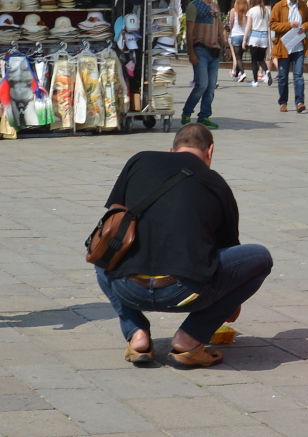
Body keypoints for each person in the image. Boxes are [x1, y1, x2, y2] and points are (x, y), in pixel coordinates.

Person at [95, 124, 273, 367]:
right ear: (210, 151)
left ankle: (137, 335)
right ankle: (189, 339)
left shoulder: (139, 161)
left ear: (171, 150)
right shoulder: (216, 184)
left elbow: (114, 217)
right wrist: (231, 301)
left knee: (102, 253)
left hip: (128, 288)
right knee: (260, 259)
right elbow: (226, 253)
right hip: (183, 292)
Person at [182, 0, 226, 129]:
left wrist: (223, 42)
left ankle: (204, 116)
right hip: (200, 49)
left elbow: (219, 26)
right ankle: (187, 112)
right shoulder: (194, 6)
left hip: (214, 51)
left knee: (211, 86)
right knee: (202, 84)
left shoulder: (215, 6)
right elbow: (190, 31)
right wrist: (191, 52)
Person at [270, 0, 308, 113]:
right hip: (284, 46)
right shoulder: (279, 6)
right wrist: (289, 25)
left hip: (299, 45)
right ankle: (283, 102)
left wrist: (305, 27)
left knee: (298, 75)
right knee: (283, 76)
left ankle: (300, 102)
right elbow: (272, 24)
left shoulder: (303, 5)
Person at [243, 0, 274, 88]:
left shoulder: (251, 11)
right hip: (264, 36)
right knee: (261, 58)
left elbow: (248, 26)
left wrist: (244, 40)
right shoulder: (266, 10)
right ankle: (267, 71)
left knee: (254, 60)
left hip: (254, 36)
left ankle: (255, 81)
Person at [227, 0, 249, 83]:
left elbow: (231, 23)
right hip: (244, 36)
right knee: (240, 56)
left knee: (237, 57)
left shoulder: (233, 11)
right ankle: (236, 75)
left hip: (235, 35)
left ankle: (242, 73)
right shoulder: (247, 12)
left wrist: (231, 31)